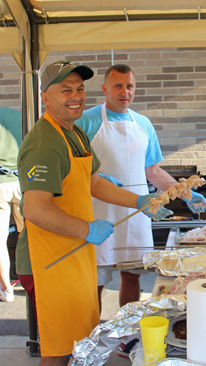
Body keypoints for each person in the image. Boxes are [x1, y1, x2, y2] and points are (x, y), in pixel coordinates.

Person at [16, 60, 171, 366]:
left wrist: (139, 202)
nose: (75, 96)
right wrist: (87, 230)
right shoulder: (45, 142)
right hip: (49, 261)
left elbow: (95, 183)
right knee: (58, 352)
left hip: (73, 255)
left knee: (78, 344)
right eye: (65, 90)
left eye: (79, 88)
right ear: (45, 97)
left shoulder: (72, 133)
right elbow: (35, 209)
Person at [75, 64, 206, 357]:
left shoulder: (143, 124)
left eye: (130, 86)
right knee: (94, 281)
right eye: (119, 86)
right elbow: (74, 170)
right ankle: (90, 338)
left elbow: (153, 170)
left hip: (138, 211)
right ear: (105, 90)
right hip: (96, 211)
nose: (125, 92)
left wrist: (185, 194)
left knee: (133, 275)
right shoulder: (85, 122)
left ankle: (127, 336)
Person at [0, 107, 24, 302]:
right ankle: (32, 280)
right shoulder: (18, 115)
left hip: (0, 184)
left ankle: (6, 288)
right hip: (23, 182)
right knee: (29, 235)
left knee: (0, 240)